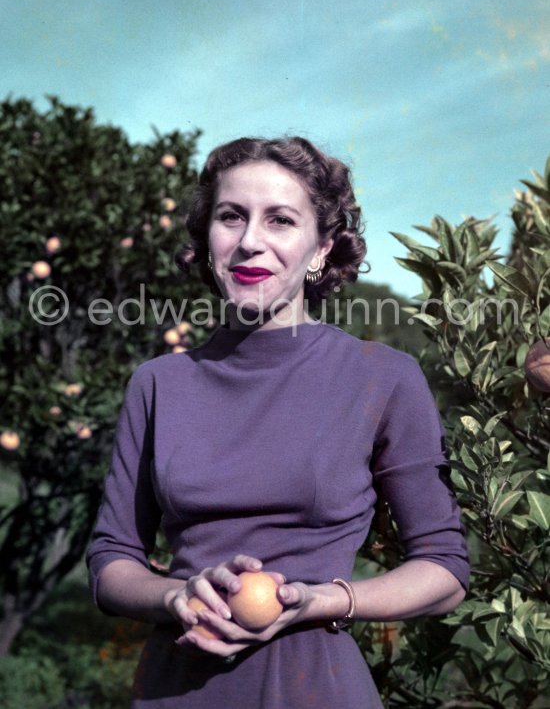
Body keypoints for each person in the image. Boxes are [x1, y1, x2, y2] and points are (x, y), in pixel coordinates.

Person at [86, 136, 469, 708]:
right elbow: (111, 559)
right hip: (177, 688)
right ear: (206, 238)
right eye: (231, 217)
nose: (249, 242)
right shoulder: (158, 383)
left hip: (314, 687)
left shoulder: (383, 378)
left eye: (281, 220)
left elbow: (444, 568)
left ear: (321, 249)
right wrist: (174, 597)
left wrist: (323, 600)